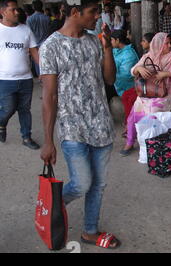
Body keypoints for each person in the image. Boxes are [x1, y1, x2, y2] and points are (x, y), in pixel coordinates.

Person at [40, 0, 120, 249]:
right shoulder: (50, 47)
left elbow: (109, 78)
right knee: (82, 182)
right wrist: (48, 140)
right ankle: (51, 207)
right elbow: (49, 96)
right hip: (72, 127)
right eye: (93, 12)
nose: (98, 16)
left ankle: (89, 231)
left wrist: (107, 48)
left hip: (101, 124)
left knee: (98, 184)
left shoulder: (94, 40)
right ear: (75, 12)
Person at [120, 32, 171, 156]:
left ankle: (152, 145)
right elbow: (132, 70)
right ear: (158, 44)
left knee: (152, 113)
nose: (170, 45)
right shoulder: (148, 55)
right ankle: (130, 141)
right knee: (134, 113)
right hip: (147, 92)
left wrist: (165, 74)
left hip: (164, 94)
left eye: (169, 42)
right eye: (166, 43)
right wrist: (139, 69)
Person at [0, 0, 40, 149]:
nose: (17, 12)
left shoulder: (26, 30)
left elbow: (34, 52)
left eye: (17, 9)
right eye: (13, 10)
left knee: (24, 109)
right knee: (8, 108)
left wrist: (43, 72)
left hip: (26, 79)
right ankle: (1, 123)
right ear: (3, 12)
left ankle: (26, 137)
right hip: (5, 80)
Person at [111, 30, 139, 98]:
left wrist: (111, 76)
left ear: (117, 40)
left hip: (125, 89)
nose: (110, 42)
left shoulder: (129, 55)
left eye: (111, 40)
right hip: (115, 83)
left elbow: (125, 77)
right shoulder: (116, 50)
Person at [26, 0, 50, 76]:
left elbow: (28, 33)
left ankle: (40, 77)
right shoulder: (47, 18)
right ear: (42, 6)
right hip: (46, 43)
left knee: (37, 63)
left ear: (33, 7)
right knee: (47, 62)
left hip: (35, 44)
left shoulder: (29, 19)